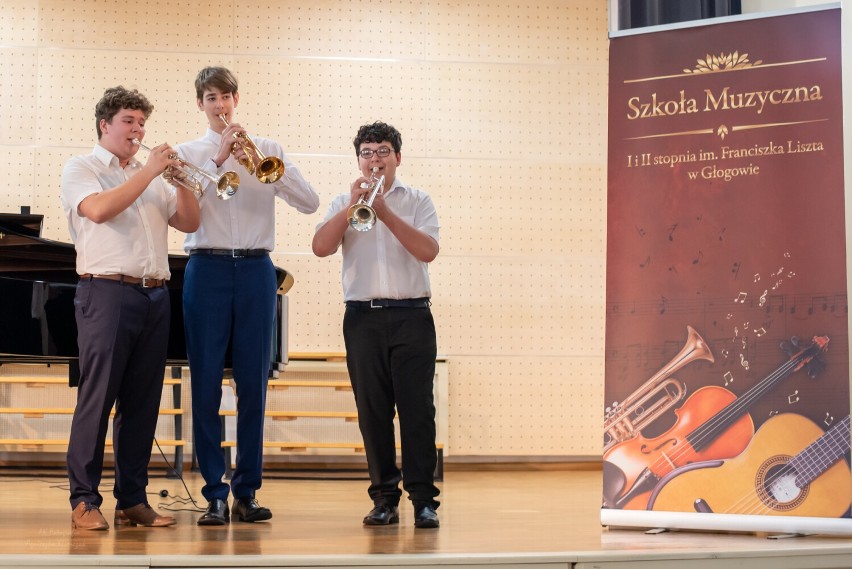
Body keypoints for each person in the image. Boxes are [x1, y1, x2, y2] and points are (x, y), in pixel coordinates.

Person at [176, 66, 320, 526]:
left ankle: (247, 491)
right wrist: (218, 160)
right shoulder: (186, 152)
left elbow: (310, 202)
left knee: (253, 385)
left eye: (225, 97)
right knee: (204, 383)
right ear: (200, 104)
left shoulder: (269, 151)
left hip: (258, 268)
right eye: (210, 98)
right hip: (207, 266)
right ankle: (214, 493)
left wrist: (262, 167)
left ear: (237, 99)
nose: (219, 105)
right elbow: (186, 208)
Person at [60, 86, 201, 530]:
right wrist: (151, 172)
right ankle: (84, 499)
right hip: (106, 292)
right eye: (129, 121)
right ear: (106, 124)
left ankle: (131, 500)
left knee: (142, 403)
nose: (138, 130)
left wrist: (181, 183)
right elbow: (99, 211)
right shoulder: (82, 168)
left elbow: (190, 223)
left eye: (142, 123)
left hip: (154, 294)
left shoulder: (152, 175)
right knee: (96, 400)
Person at [312, 121, 441, 529]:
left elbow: (428, 250)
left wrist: (384, 213)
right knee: (373, 412)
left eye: (383, 151)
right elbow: (320, 247)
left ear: (397, 158)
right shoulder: (343, 201)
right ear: (358, 160)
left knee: (418, 411)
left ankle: (424, 500)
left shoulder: (418, 200)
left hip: (412, 315)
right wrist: (352, 209)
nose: (375, 159)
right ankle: (384, 498)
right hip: (363, 318)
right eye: (367, 152)